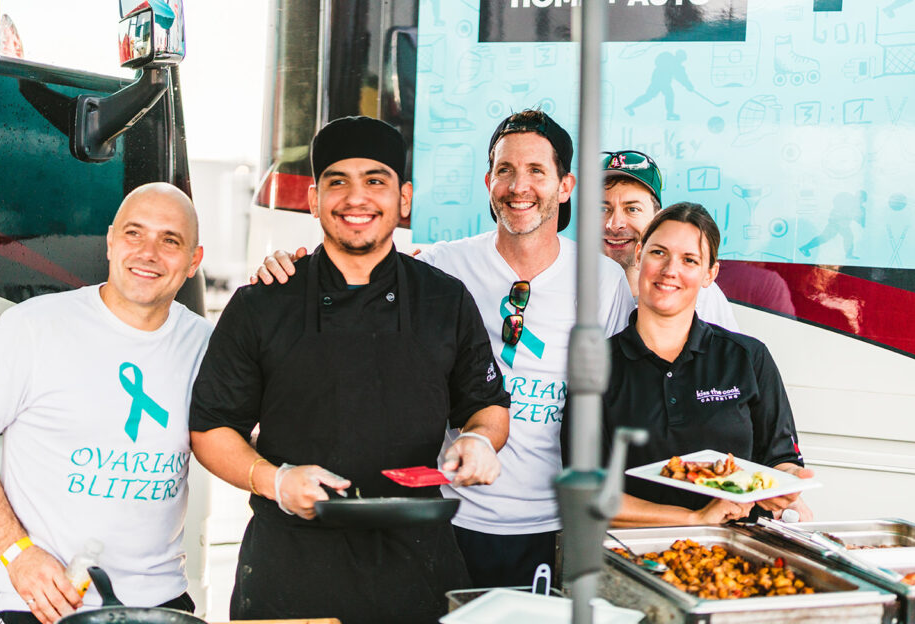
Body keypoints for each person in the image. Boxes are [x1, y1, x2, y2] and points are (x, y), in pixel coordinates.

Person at [252, 110, 637, 590]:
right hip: (449, 517)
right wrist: (289, 268)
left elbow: (624, 396)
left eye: (537, 171)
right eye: (505, 170)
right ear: (488, 181)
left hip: (552, 524)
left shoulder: (602, 282)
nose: (519, 186)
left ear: (565, 185)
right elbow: (355, 271)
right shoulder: (441, 267)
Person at [188, 116, 510, 624]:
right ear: (313, 199)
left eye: (376, 180)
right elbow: (212, 428)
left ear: (403, 198)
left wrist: (481, 441)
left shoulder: (444, 300)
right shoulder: (262, 302)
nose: (355, 197)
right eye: (337, 181)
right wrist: (275, 480)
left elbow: (486, 406)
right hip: (289, 572)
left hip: (416, 570)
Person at [0, 183, 211, 624]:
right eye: (134, 234)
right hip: (45, 600)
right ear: (110, 241)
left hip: (158, 603)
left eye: (170, 240)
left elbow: (240, 441)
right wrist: (18, 555)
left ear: (194, 260)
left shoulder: (206, 345)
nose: (148, 253)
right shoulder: (35, 327)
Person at [599, 202, 813, 526]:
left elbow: (780, 460)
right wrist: (695, 517)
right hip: (631, 554)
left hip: (735, 553)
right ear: (640, 254)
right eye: (659, 253)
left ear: (709, 273)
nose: (670, 270)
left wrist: (789, 482)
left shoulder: (748, 358)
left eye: (689, 260)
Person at [601, 149, 739, 331]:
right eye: (603, 209)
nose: (614, 224)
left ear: (656, 218)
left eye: (632, 209)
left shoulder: (701, 294)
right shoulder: (571, 284)